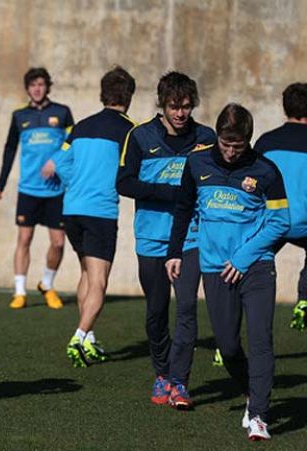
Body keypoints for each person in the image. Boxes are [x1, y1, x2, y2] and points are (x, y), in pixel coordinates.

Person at [167, 103, 289, 441]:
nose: (232, 152)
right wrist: (174, 252)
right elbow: (183, 208)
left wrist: (244, 257)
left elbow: (281, 220)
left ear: (248, 140)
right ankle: (252, 394)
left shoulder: (266, 170)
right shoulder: (196, 162)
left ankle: (261, 417)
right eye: (226, 144)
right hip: (216, 269)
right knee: (228, 346)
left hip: (257, 266)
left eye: (238, 145)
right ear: (217, 137)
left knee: (261, 339)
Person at [117, 72, 216, 408]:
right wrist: (171, 193)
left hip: (192, 237)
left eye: (187, 106)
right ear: (162, 104)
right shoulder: (140, 136)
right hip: (152, 238)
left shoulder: (206, 137)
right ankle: (161, 373)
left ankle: (179, 381)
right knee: (157, 311)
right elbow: (124, 183)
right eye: (175, 106)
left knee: (187, 307)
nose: (180, 113)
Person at [42, 67, 136, 367]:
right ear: (128, 96)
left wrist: (76, 181)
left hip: (72, 210)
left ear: (102, 93)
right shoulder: (130, 130)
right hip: (100, 213)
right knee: (99, 281)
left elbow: (57, 162)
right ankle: (79, 336)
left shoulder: (80, 126)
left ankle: (90, 339)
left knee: (85, 273)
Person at [0, 68, 73, 310]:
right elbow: (10, 149)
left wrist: (56, 161)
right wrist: (0, 183)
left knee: (58, 243)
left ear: (48, 87)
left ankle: (47, 284)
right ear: (27, 89)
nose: (37, 89)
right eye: (32, 85)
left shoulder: (62, 113)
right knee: (24, 238)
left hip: (55, 190)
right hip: (28, 189)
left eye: (41, 84)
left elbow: (74, 142)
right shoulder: (20, 115)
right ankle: (20, 292)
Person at [254, 82, 307, 331]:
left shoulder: (266, 142)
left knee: (248, 268)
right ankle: (305, 300)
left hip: (271, 222)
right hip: (304, 224)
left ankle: (227, 335)